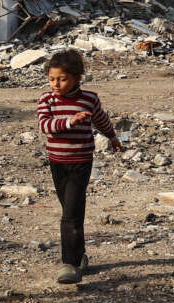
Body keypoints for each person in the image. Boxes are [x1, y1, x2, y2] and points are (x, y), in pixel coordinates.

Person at [36, 49, 121, 285]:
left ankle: (69, 264)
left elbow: (101, 119)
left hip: (81, 162)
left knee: (70, 214)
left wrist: (112, 137)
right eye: (52, 78)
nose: (56, 84)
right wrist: (70, 121)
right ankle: (80, 254)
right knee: (71, 211)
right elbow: (45, 126)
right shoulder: (47, 99)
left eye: (62, 79)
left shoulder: (89, 99)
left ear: (76, 78)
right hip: (57, 162)